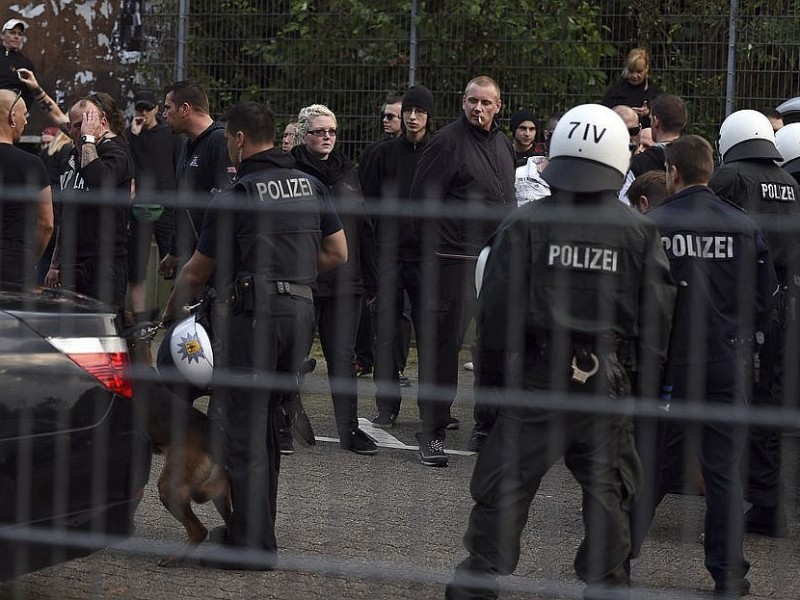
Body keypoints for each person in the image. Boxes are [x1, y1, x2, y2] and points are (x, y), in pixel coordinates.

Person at [445, 103, 675, 600]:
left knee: (503, 487)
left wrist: (492, 400)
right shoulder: (639, 232)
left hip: (536, 378)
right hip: (606, 386)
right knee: (611, 493)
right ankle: (608, 583)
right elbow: (655, 324)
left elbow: (495, 316)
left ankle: (478, 581)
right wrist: (639, 393)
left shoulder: (525, 224)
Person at [161, 100, 346, 569]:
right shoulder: (312, 184)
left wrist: (171, 312)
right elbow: (337, 253)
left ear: (240, 139)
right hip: (300, 317)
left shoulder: (237, 191)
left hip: (252, 318)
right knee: (266, 425)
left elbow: (198, 269)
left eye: (229, 140)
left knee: (241, 430)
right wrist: (293, 278)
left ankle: (251, 548)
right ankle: (256, 534)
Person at [628, 135, 776, 598]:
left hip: (667, 366)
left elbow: (636, 300)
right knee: (723, 471)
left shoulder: (654, 225)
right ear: (710, 171)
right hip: (726, 362)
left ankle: (614, 560)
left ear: (672, 173)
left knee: (647, 465)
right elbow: (763, 303)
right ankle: (729, 574)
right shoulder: (743, 225)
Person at [407, 75, 516, 466]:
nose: (478, 108)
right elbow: (421, 204)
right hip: (452, 263)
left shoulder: (503, 143)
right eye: (472, 101)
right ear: (462, 101)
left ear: (498, 105)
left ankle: (487, 426)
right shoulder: (446, 143)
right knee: (442, 349)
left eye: (486, 102)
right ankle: (431, 433)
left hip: (497, 262)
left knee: (494, 348)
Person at [708, 109, 800, 539]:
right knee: (769, 403)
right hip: (781, 304)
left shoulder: (730, 179)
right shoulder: (791, 184)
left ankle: (718, 495)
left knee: (722, 398)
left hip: (733, 305)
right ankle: (766, 504)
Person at [292, 103, 379, 455]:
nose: (327, 137)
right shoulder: (291, 171)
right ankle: (282, 420)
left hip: (347, 281)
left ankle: (349, 430)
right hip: (303, 281)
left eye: (332, 131)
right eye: (318, 131)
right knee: (292, 355)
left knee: (343, 359)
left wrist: (372, 279)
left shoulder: (348, 173)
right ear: (302, 135)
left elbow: (365, 228)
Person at [359, 85, 438, 428]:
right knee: (386, 334)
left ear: (429, 116)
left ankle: (433, 411)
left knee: (431, 333)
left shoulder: (440, 152)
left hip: (428, 258)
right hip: (388, 257)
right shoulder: (381, 154)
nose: (413, 117)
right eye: (409, 110)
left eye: (420, 111)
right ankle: (386, 406)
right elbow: (365, 207)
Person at [45, 93, 133, 309]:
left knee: (101, 334)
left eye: (82, 125)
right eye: (74, 126)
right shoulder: (70, 156)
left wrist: (88, 139)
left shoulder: (116, 152)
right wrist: (54, 264)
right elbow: (65, 214)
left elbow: (98, 182)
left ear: (101, 122)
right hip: (71, 263)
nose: (75, 131)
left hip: (105, 263)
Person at [158, 80, 234, 279]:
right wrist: (174, 252)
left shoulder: (220, 141)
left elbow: (225, 205)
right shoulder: (186, 145)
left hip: (215, 264)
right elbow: (186, 207)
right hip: (193, 258)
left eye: (167, 108)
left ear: (185, 109)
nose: (164, 114)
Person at [126, 89, 180, 324]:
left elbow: (177, 162)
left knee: (174, 255)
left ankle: (175, 312)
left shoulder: (170, 132)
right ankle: (140, 317)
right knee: (137, 261)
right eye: (140, 108)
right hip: (141, 205)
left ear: (156, 109)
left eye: (148, 108)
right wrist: (134, 134)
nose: (144, 113)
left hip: (166, 202)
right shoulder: (132, 135)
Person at [0, 89, 53, 286]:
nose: (26, 122)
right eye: (24, 115)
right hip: (14, 264)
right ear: (12, 117)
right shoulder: (32, 165)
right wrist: (28, 259)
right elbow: (46, 224)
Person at [619, 94, 687, 204]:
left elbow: (625, 205)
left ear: (655, 121)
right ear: (683, 123)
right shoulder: (697, 159)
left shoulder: (636, 165)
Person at [602, 47, 662, 129]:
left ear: (646, 68)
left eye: (639, 71)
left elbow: (662, 122)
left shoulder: (655, 93)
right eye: (631, 71)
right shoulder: (614, 91)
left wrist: (649, 114)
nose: (634, 75)